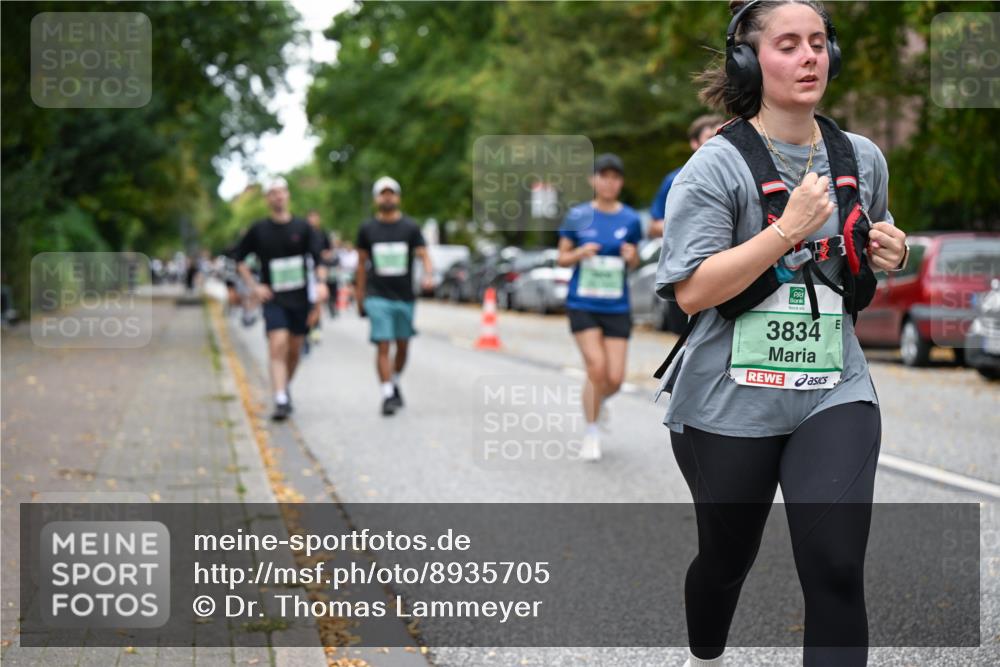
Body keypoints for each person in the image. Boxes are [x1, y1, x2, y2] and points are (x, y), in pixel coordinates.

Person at [654, 2, 909, 666]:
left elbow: (870, 239)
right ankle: (705, 647)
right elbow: (692, 290)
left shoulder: (861, 158)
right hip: (727, 400)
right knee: (726, 559)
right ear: (749, 60)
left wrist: (892, 248)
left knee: (835, 567)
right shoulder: (715, 167)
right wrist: (785, 231)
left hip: (833, 388)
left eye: (818, 42)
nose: (808, 57)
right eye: (788, 44)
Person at [556, 153, 642, 462]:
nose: (609, 183)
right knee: (596, 368)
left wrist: (632, 256)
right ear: (593, 180)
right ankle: (591, 432)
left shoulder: (631, 219)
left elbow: (634, 261)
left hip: (616, 305)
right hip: (583, 303)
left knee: (615, 378)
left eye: (615, 177)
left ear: (621, 182)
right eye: (603, 176)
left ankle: (598, 402)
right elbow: (561, 258)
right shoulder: (578, 215)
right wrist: (580, 253)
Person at [233, 178, 328, 421]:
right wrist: (255, 287)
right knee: (278, 343)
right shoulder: (258, 230)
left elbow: (318, 261)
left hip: (300, 299)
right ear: (267, 198)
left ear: (288, 195)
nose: (278, 196)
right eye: (273, 193)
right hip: (274, 299)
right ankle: (280, 399)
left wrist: (320, 285)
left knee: (294, 350)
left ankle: (283, 388)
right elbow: (239, 260)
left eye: (281, 192)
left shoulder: (303, 228)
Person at [355, 176, 433, 416]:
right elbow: (361, 264)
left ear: (398, 197)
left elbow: (424, 254)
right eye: (383, 193)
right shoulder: (367, 229)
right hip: (377, 296)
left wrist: (428, 275)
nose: (387, 197)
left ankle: (395, 379)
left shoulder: (410, 227)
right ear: (376, 199)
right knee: (383, 343)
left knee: (402, 346)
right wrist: (360, 295)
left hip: (404, 297)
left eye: (391, 193)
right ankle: (387, 393)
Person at [648, 114, 725, 240]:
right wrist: (694, 227)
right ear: (694, 143)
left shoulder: (739, 176)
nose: (718, 142)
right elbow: (654, 227)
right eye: (710, 137)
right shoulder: (676, 179)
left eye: (721, 137)